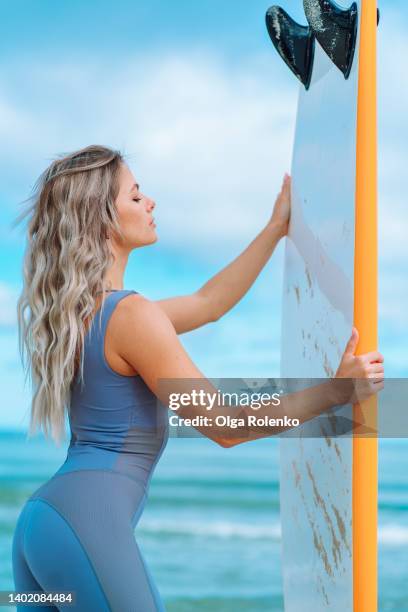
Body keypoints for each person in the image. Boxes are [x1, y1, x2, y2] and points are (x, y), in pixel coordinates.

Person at [12, 145, 384, 611]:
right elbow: (225, 426)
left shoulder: (84, 318)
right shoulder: (130, 318)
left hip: (38, 530)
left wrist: (275, 229)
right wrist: (338, 389)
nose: (150, 203)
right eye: (135, 196)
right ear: (102, 219)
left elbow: (210, 303)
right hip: (83, 527)